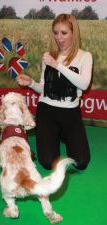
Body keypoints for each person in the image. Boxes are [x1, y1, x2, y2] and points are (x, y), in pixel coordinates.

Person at [16, 14, 93, 170]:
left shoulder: (85, 56)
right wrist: (31, 83)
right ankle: (53, 133)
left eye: (64, 33)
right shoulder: (48, 56)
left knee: (81, 162)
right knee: (48, 162)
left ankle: (63, 134)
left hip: (71, 112)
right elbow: (44, 89)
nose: (59, 37)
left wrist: (57, 65)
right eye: (56, 33)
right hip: (47, 110)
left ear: (73, 33)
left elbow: (84, 84)